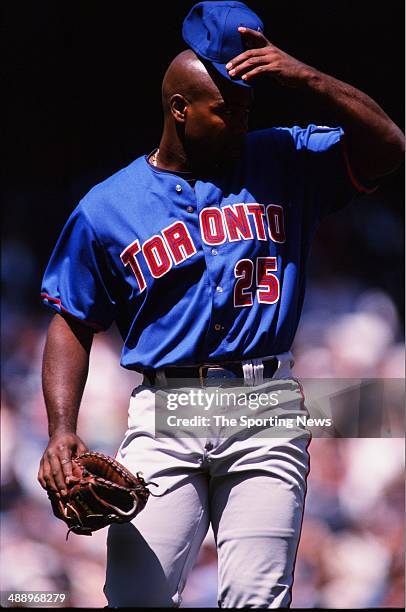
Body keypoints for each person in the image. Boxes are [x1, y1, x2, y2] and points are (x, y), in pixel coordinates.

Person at [37, 1, 404, 608]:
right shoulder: (108, 206)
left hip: (266, 404)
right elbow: (72, 319)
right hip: (167, 408)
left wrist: (306, 77)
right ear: (180, 110)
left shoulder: (283, 159)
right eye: (225, 109)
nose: (241, 120)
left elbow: (388, 146)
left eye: (247, 108)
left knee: (256, 599)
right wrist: (60, 430)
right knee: (134, 598)